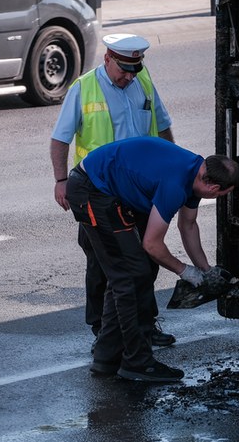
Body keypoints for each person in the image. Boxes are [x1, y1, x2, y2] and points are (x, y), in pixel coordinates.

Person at [65, 137, 239, 382]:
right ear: (213, 188)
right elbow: (152, 244)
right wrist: (185, 271)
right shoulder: (176, 184)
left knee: (140, 269)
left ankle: (107, 357)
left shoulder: (197, 172)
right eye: (223, 194)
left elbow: (188, 225)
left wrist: (206, 270)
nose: (220, 197)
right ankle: (137, 362)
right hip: (92, 191)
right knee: (129, 275)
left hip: (111, 191)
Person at [50, 33, 177, 349]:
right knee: (101, 263)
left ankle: (145, 326)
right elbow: (60, 139)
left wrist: (171, 166)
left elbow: (161, 126)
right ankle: (102, 331)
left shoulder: (142, 80)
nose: (129, 76)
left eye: (134, 69)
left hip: (141, 190)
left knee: (146, 259)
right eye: (124, 69)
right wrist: (61, 181)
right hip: (99, 191)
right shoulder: (84, 87)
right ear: (107, 58)